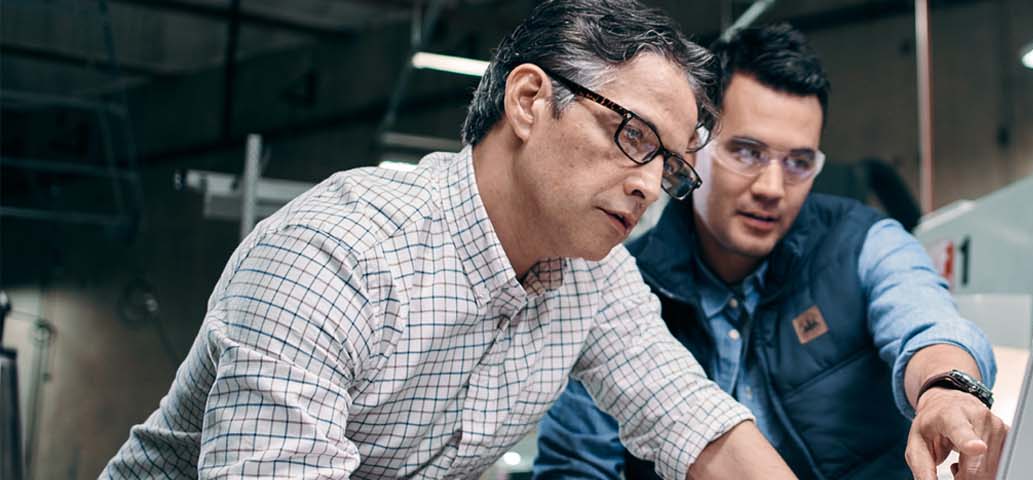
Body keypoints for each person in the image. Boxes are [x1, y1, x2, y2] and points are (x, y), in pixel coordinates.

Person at [100, 1, 794, 478]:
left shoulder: (592, 275)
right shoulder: (335, 253)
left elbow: (696, 424)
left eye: (667, 167)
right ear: (528, 101)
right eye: (633, 137)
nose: (647, 185)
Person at [533, 23, 1006, 480]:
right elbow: (576, 466)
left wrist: (946, 389)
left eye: (799, 162)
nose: (773, 188)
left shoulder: (863, 242)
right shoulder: (617, 284)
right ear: (694, 144)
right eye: (747, 152)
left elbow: (925, 320)